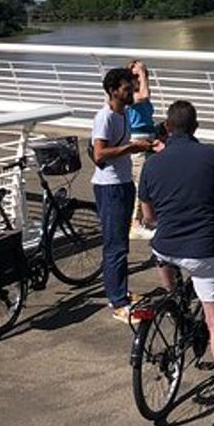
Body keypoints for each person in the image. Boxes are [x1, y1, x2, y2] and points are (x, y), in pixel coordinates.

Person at [137, 100, 214, 404]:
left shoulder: (151, 163)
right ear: (196, 126)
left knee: (172, 283)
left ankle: (176, 310)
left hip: (165, 247)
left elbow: (149, 217)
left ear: (167, 128)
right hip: (203, 248)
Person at [90, 67, 154, 322]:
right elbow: (99, 154)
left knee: (121, 244)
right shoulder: (104, 117)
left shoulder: (124, 113)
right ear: (112, 90)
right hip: (110, 187)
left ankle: (121, 292)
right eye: (127, 89)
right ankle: (118, 303)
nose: (131, 93)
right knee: (115, 246)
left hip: (123, 183)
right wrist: (132, 147)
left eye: (132, 88)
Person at [126, 59, 157, 240]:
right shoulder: (130, 97)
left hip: (149, 141)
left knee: (148, 182)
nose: (140, 79)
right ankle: (134, 224)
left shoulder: (140, 95)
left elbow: (146, 94)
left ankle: (146, 218)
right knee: (140, 183)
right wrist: (142, 74)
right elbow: (144, 95)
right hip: (137, 143)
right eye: (136, 76)